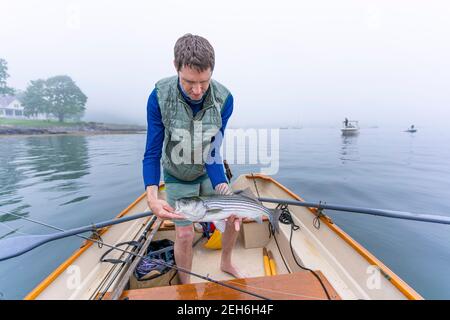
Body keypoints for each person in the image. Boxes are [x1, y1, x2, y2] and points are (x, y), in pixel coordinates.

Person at [142, 34, 242, 284]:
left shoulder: (225, 100)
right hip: (176, 173)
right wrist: (152, 197)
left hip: (209, 171)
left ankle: (226, 261)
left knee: (231, 216)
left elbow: (213, 152)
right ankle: (186, 285)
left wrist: (224, 191)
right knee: (185, 235)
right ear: (176, 66)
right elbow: (152, 152)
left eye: (204, 82)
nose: (197, 91)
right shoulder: (157, 97)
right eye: (189, 82)